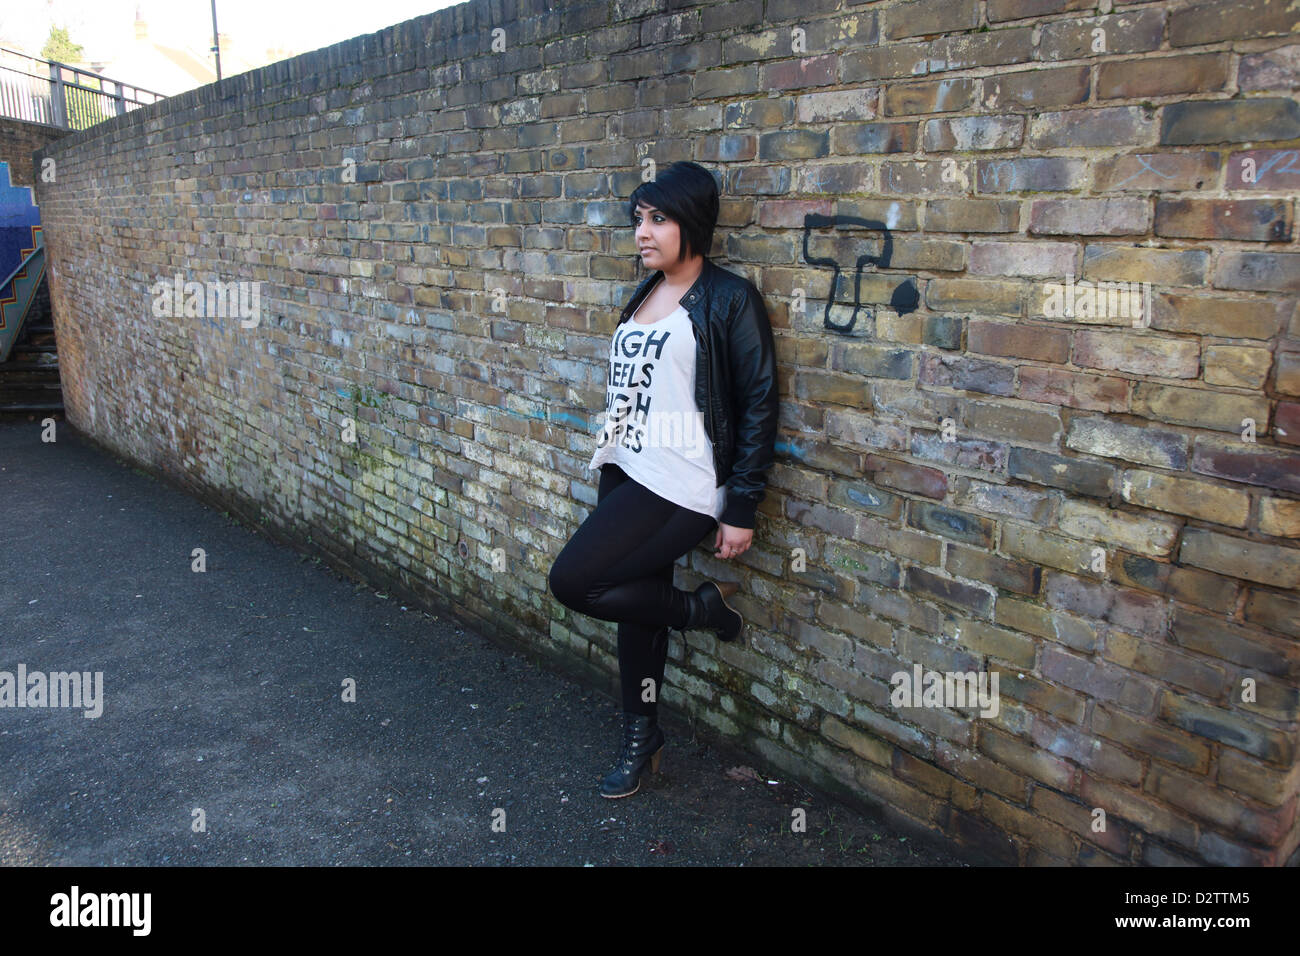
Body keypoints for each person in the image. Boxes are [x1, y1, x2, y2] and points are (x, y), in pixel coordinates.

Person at [547, 161, 779, 799]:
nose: (642, 234)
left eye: (657, 219)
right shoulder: (645, 293)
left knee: (574, 580)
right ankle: (640, 734)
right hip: (625, 468)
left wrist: (743, 505)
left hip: (682, 482)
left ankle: (702, 611)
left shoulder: (730, 298)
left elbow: (760, 403)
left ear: (692, 224)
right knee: (633, 610)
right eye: (638, 220)